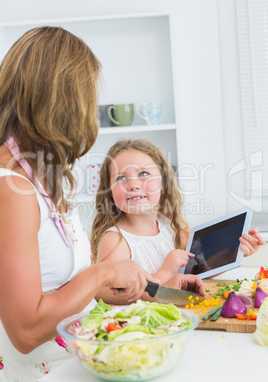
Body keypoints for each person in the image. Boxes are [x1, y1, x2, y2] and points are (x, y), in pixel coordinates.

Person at [0, 27, 165, 382]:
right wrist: (104, 272)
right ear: (63, 102)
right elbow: (26, 331)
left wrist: (132, 283)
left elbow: (60, 288)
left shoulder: (32, 174)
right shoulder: (10, 187)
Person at [91, 138, 265, 303]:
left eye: (143, 173)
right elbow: (104, 293)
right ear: (109, 191)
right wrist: (165, 272)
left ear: (163, 183)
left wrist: (237, 251)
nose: (133, 184)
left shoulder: (170, 225)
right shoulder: (116, 240)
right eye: (121, 178)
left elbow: (199, 270)